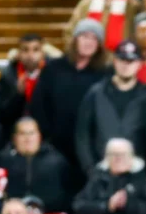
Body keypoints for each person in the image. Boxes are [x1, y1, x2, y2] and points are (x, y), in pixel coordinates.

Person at [30, 18, 111, 176]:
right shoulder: (54, 68)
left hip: (91, 150)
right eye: (84, 36)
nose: (88, 42)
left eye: (94, 38)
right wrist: (47, 139)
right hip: (56, 147)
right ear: (75, 40)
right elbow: (39, 106)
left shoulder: (105, 74)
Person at [76, 40, 146, 175]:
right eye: (122, 60)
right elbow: (82, 134)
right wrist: (90, 169)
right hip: (102, 171)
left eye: (131, 61)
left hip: (138, 174)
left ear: (139, 64)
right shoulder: (96, 93)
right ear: (114, 61)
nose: (126, 65)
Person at [73, 138, 146, 214]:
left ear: (132, 156)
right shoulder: (97, 180)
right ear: (106, 157)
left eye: (123, 155)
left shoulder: (143, 181)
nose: (118, 158)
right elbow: (79, 208)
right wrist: (107, 206)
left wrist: (128, 204)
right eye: (114, 154)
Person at [0, 118, 73, 213]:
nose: (28, 138)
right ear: (15, 138)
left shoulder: (56, 161)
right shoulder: (4, 161)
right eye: (23, 133)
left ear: (39, 136)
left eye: (31, 133)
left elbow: (67, 194)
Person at [0, 34, 50, 139]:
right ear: (19, 53)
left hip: (47, 136)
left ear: (43, 53)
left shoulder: (52, 74)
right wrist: (18, 95)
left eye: (35, 50)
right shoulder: (8, 76)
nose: (30, 55)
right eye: (25, 50)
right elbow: (0, 114)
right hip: (14, 135)